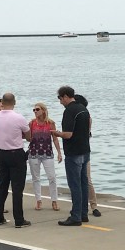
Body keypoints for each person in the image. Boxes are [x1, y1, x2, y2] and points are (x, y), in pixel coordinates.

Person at [51, 86, 91, 226]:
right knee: (83, 183)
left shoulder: (69, 111)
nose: (60, 102)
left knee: (75, 185)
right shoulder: (83, 108)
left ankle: (76, 216)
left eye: (60, 99)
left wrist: (56, 133)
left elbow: (68, 134)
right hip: (85, 150)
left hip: (73, 152)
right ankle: (83, 213)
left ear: (66, 96)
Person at [0, 92, 31, 228]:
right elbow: (29, 136)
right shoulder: (18, 118)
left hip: (1, 153)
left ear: (2, 103)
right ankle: (19, 220)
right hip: (16, 153)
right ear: (14, 102)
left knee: (2, 186)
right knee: (17, 188)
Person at [28, 102, 62, 211]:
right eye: (34, 110)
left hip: (47, 153)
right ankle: (38, 200)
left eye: (37, 109)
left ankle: (54, 200)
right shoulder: (31, 123)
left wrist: (59, 153)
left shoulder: (50, 123)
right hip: (34, 153)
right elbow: (28, 137)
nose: (35, 112)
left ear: (43, 110)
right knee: (36, 178)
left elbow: (55, 139)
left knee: (52, 177)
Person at [74, 94, 101, 217]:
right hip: (81, 150)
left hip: (83, 151)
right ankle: (82, 206)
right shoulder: (80, 115)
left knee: (86, 179)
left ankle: (93, 205)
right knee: (82, 180)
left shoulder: (85, 116)